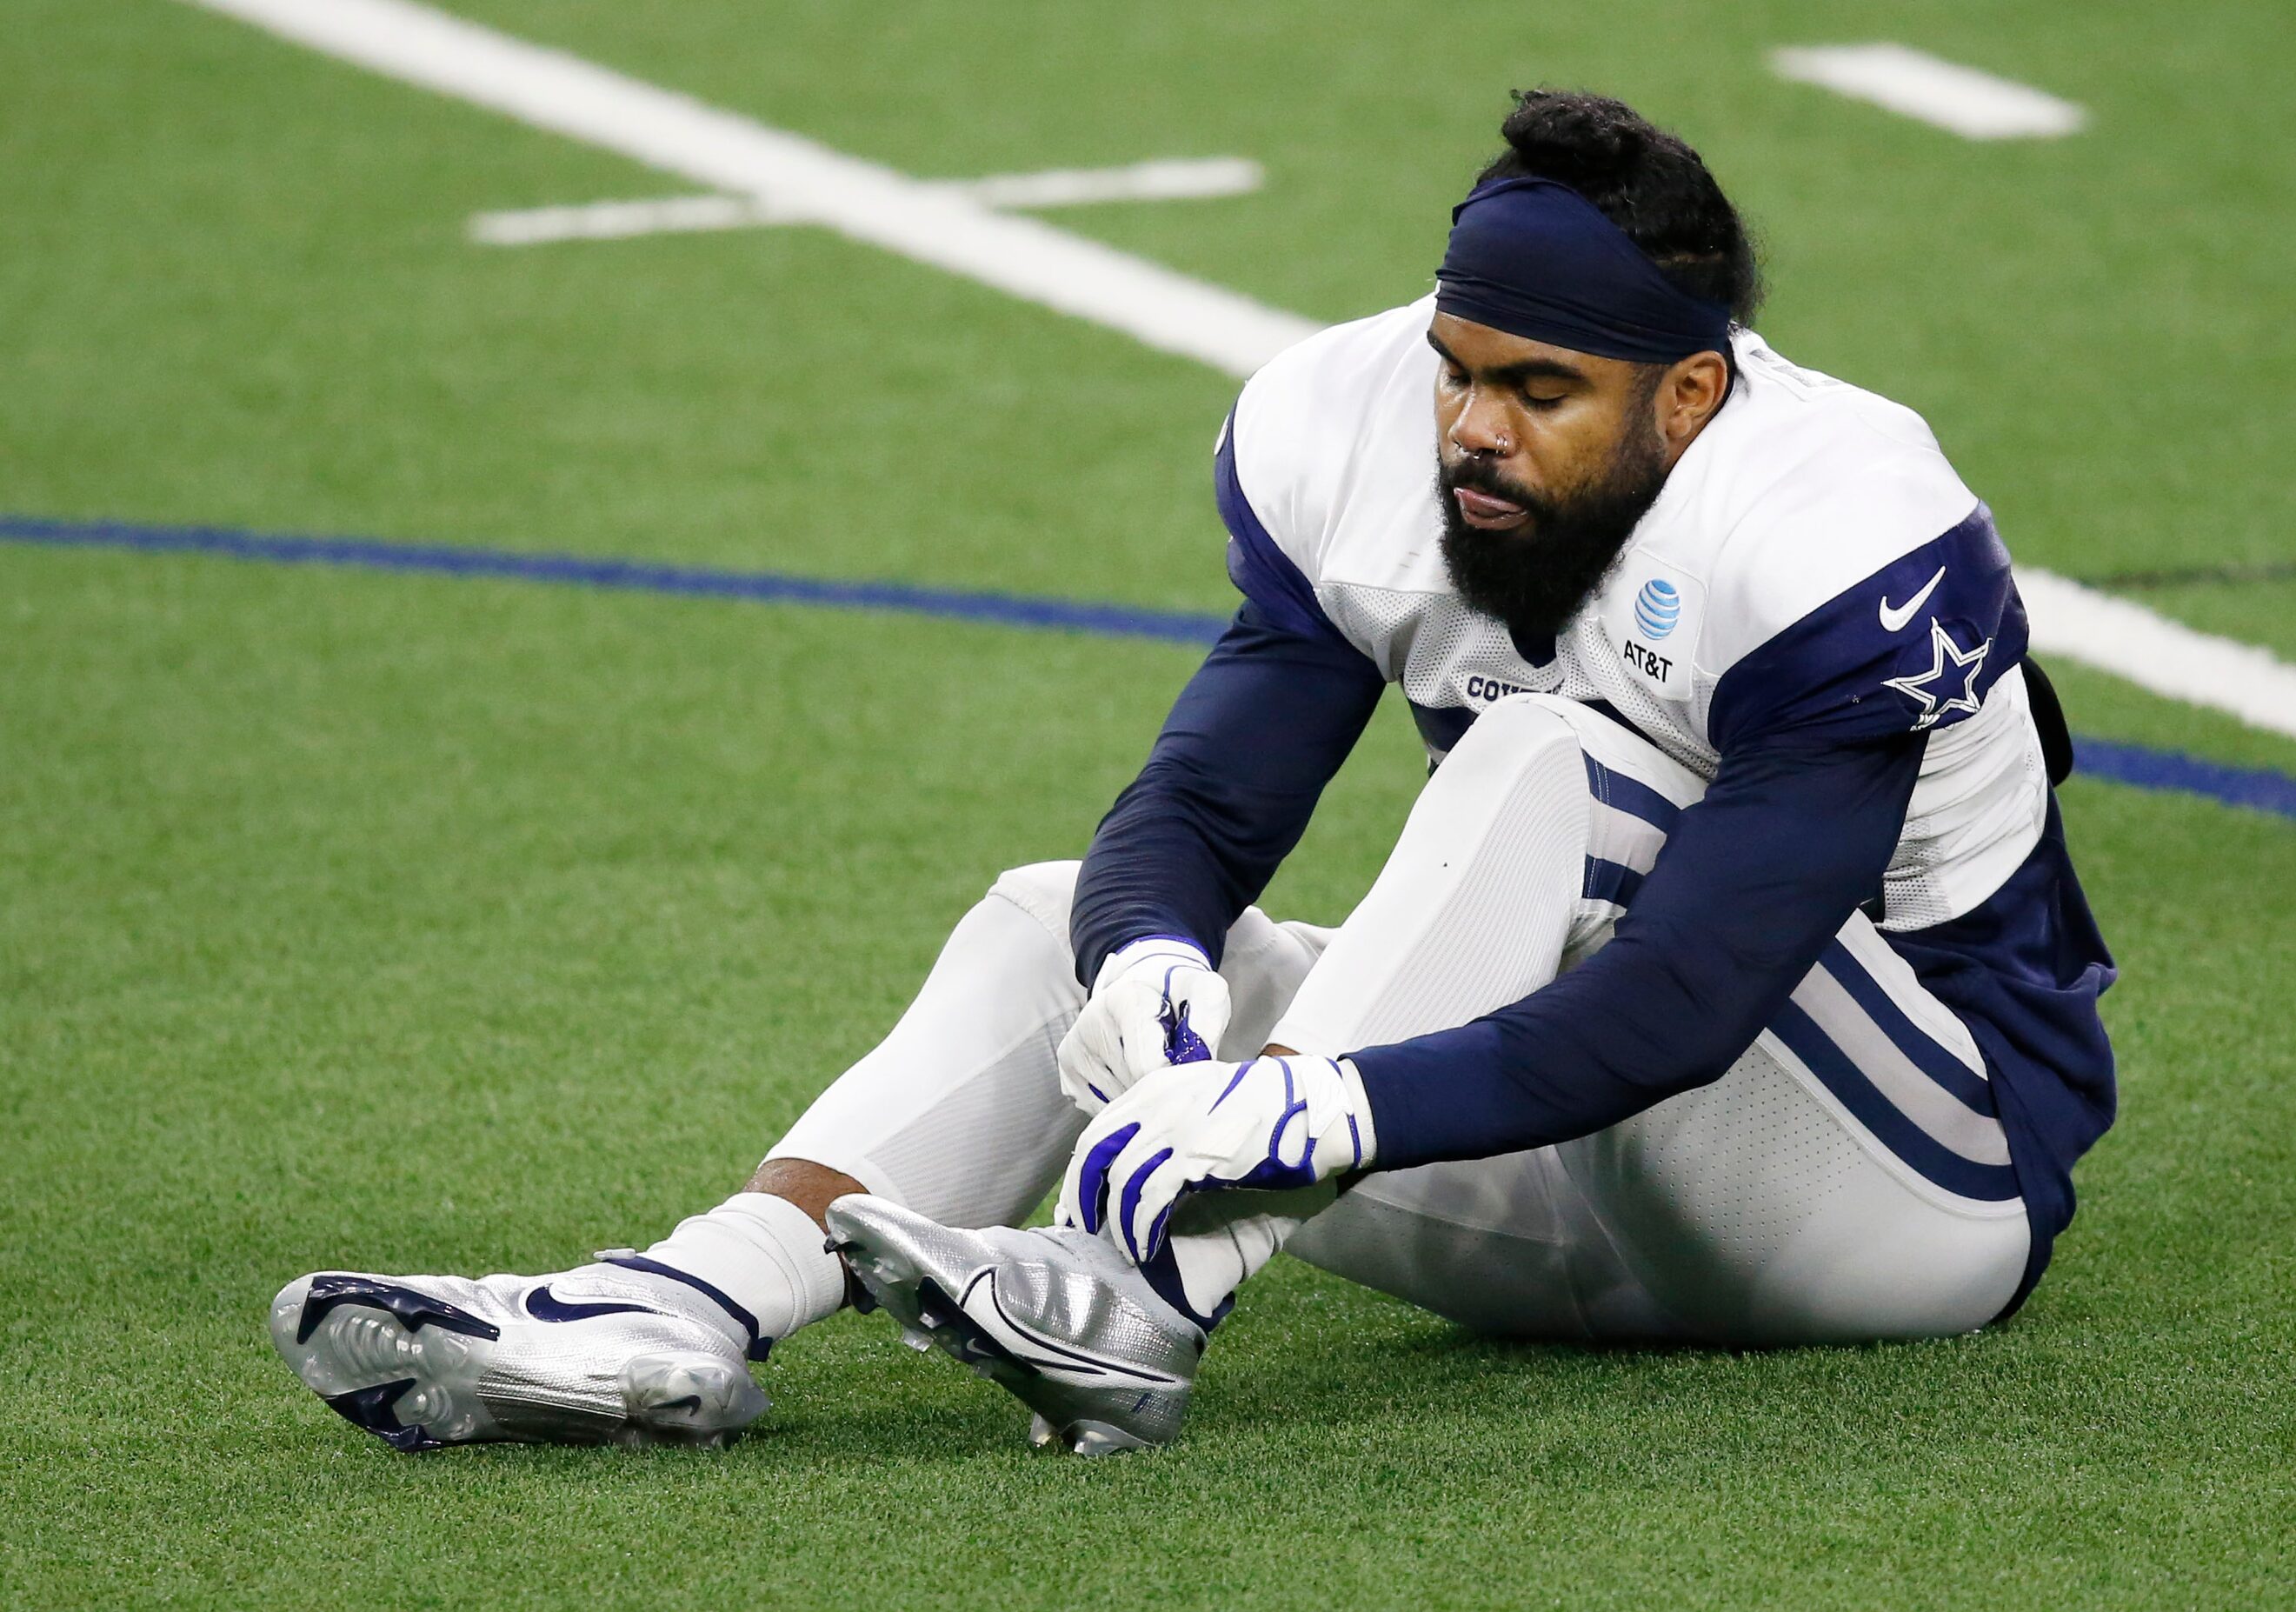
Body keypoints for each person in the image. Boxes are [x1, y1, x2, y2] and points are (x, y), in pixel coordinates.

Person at [269, 89, 2115, 1457]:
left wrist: (1312, 1111)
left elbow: (1692, 999)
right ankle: (687, 1299)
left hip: (1908, 1193)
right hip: (1565, 1209)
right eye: (1458, 372)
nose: (1470, 428)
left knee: (1577, 769)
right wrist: (1154, 954)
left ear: (1689, 399)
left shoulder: (1834, 521)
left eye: (1537, 393)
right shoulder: (1357, 423)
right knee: (1061, 919)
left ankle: (1137, 1298)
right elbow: (1208, 807)